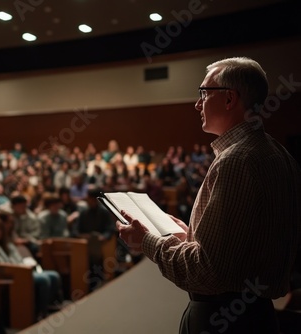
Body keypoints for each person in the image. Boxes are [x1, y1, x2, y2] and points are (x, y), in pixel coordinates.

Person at [116, 57, 301, 333]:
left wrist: (147, 242)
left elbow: (207, 273)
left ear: (229, 99)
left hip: (223, 320)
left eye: (204, 93)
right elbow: (240, 251)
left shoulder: (236, 161)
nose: (197, 103)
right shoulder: (280, 155)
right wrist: (189, 236)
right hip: (256, 315)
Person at [0, 217, 62, 320]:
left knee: (54, 275)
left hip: (21, 270)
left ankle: (47, 305)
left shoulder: (8, 243)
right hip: (9, 275)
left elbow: (18, 259)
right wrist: (21, 269)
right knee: (44, 279)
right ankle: (39, 312)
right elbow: (1, 263)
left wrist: (25, 266)